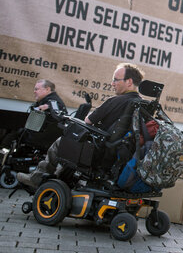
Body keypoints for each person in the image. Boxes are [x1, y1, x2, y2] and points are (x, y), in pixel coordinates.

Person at [17, 63, 145, 188]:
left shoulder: (115, 101)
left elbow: (88, 121)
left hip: (98, 152)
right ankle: (58, 178)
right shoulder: (143, 105)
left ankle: (36, 178)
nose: (112, 83)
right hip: (120, 155)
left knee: (62, 141)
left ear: (129, 82)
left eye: (115, 80)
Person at [1, 79, 67, 149]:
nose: (34, 91)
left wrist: (46, 107)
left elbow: (54, 108)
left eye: (37, 89)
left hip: (42, 139)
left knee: (11, 136)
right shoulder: (48, 100)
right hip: (39, 136)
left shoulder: (53, 101)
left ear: (47, 89)